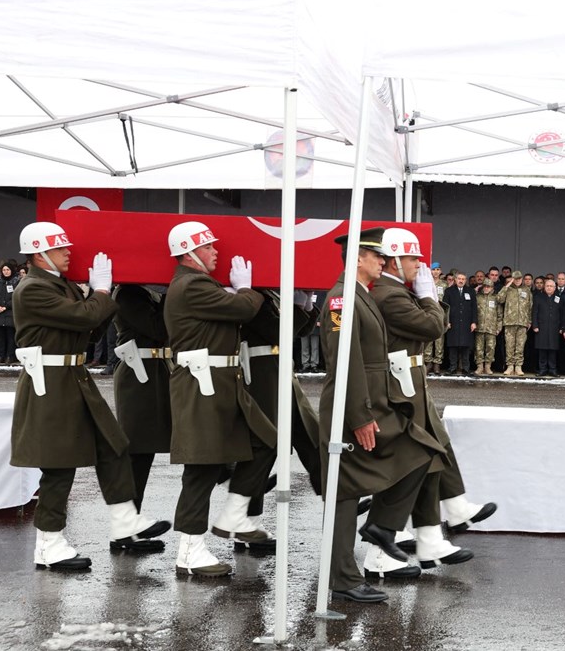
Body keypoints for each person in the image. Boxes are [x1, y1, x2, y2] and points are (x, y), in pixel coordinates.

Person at [12, 222, 170, 571]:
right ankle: (49, 544)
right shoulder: (32, 289)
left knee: (114, 447)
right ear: (40, 253)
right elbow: (81, 316)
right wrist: (99, 294)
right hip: (49, 383)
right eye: (61, 248)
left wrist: (99, 298)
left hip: (73, 377)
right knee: (59, 464)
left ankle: (125, 520)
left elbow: (88, 328)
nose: (69, 252)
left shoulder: (60, 285)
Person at [319, 227, 445, 602]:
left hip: (371, 403)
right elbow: (346, 362)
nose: (383, 262)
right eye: (376, 256)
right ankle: (342, 578)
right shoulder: (342, 299)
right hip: (352, 407)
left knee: (420, 453)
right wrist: (358, 416)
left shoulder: (360, 295)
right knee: (343, 492)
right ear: (358, 258)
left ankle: (381, 530)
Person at [368, 228, 495, 579]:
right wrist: (430, 298)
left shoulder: (396, 292)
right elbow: (433, 327)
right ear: (394, 260)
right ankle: (383, 553)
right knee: (415, 461)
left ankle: (432, 535)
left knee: (430, 455)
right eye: (412, 258)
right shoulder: (389, 295)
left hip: (410, 382)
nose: (419, 265)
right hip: (398, 387)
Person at [164, 221, 276, 576]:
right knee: (202, 466)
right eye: (209, 247)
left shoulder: (201, 284)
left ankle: (234, 514)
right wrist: (245, 291)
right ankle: (190, 550)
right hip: (202, 384)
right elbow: (243, 310)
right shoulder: (191, 284)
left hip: (222, 381)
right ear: (189, 252)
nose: (216, 251)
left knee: (266, 441)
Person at [239, 289, 324, 521]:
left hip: (281, 373)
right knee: (263, 448)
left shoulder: (270, 295)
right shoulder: (252, 297)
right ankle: (248, 520)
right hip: (262, 376)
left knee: (310, 437)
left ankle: (337, 502)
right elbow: (279, 333)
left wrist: (306, 307)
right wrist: (297, 308)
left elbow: (299, 331)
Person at [112, 285, 172, 526]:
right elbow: (158, 328)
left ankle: (228, 476)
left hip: (155, 371)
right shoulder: (129, 293)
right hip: (138, 374)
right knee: (137, 450)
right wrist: (171, 296)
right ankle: (126, 523)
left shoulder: (145, 293)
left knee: (178, 433)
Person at [497, 270, 532, 376]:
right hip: (509, 322)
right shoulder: (508, 289)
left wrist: (529, 320)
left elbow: (530, 306)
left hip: (522, 322)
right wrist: (507, 285)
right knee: (509, 345)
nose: (517, 281)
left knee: (520, 345)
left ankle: (518, 366)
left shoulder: (526, 290)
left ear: (522, 279)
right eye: (515, 279)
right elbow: (499, 299)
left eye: (519, 279)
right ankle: (510, 366)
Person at [444, 272, 476, 375]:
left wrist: (474, 322)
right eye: (459, 279)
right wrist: (447, 321)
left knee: (466, 346)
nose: (461, 281)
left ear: (465, 280)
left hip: (466, 322)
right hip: (453, 322)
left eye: (463, 279)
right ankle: (452, 367)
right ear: (455, 280)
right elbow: (445, 307)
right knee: (453, 346)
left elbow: (474, 308)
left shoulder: (470, 291)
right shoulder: (449, 291)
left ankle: (466, 368)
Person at [531, 278, 564, 376]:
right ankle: (542, 369)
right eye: (547, 286)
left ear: (555, 288)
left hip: (554, 328)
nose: (549, 288)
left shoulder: (559, 298)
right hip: (541, 327)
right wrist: (535, 325)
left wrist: (562, 327)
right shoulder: (538, 297)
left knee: (553, 349)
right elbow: (534, 313)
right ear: (544, 287)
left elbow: (562, 314)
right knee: (542, 349)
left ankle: (552, 369)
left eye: (551, 286)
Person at [423, 262, 448, 375]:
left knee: (439, 340)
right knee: (428, 338)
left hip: (440, 314)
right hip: (428, 313)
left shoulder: (444, 285)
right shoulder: (426, 283)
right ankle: (428, 362)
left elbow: (447, 302)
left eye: (438, 269)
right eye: (434, 269)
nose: (436, 272)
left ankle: (437, 363)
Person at [473, 278, 502, 375]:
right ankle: (479, 366)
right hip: (479, 327)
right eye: (484, 286)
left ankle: (488, 366)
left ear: (492, 288)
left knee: (490, 347)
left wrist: (498, 327)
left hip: (491, 328)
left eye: (488, 287)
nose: (486, 288)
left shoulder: (496, 298)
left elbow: (499, 315)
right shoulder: (477, 297)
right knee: (478, 348)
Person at [0, 263, 20, 364]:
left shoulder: (16, 282)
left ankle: (10, 356)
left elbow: (16, 297)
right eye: (4, 270)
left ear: (12, 270)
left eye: (8, 270)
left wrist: (6, 306)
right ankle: (1, 356)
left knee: (10, 336)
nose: (6, 272)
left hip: (10, 312)